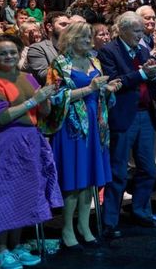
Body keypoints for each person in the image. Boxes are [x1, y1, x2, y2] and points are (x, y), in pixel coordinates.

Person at [0, 35, 61, 269]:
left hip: (28, 141)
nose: (9, 56)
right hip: (2, 142)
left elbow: (44, 111)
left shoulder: (27, 77)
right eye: (3, 53)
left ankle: (16, 245)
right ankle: (0, 250)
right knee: (3, 195)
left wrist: (46, 99)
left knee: (24, 195)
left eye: (13, 52)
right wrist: (34, 101)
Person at [44, 22, 121, 249]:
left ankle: (84, 225)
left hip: (96, 125)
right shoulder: (60, 64)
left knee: (89, 180)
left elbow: (98, 91)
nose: (89, 41)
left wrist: (108, 89)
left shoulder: (93, 60)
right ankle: (67, 227)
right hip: (72, 126)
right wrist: (90, 88)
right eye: (84, 38)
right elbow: (54, 98)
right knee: (74, 180)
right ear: (71, 39)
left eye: (90, 38)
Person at [98, 11, 156, 238]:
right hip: (123, 116)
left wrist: (153, 74)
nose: (140, 34)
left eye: (141, 31)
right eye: (136, 31)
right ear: (122, 30)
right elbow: (115, 81)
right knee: (118, 171)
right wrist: (143, 73)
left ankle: (141, 211)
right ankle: (110, 220)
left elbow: (147, 81)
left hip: (145, 115)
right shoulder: (108, 51)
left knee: (149, 168)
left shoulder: (143, 51)